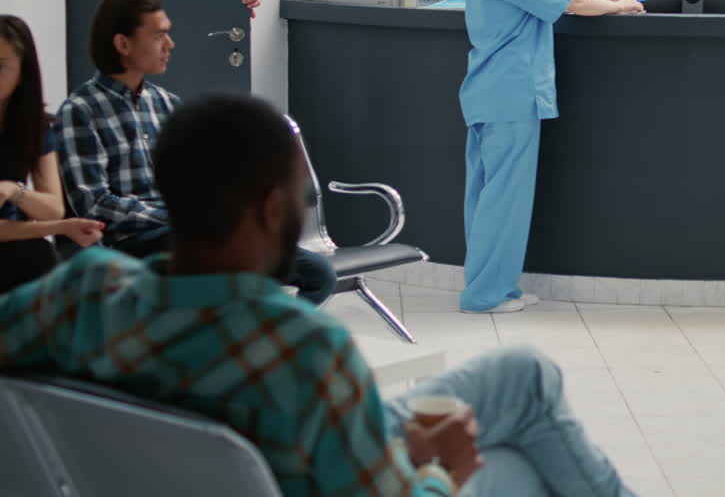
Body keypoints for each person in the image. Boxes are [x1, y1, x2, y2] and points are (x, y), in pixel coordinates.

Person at [0, 93, 635, 497]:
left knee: (523, 371)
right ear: (275, 209)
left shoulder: (82, 294)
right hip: (300, 445)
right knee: (520, 469)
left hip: (246, 444)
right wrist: (440, 470)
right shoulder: (305, 351)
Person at [55, 0, 338, 305]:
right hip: (133, 242)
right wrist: (177, 215)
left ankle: (249, 343)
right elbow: (93, 203)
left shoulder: (167, 104)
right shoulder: (81, 111)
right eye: (159, 36)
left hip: (188, 232)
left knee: (317, 274)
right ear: (123, 43)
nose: (170, 44)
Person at [460, 0, 643, 313]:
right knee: (504, 199)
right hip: (511, 95)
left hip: (489, 93)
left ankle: (494, 287)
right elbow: (575, 3)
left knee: (487, 196)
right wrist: (622, 5)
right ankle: (485, 294)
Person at [0, 15, 103, 292]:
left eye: (0, 67)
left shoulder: (35, 126)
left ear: (23, 73)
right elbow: (54, 220)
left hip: (18, 245)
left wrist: (14, 190)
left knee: (39, 258)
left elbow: (52, 208)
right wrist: (61, 227)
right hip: (14, 241)